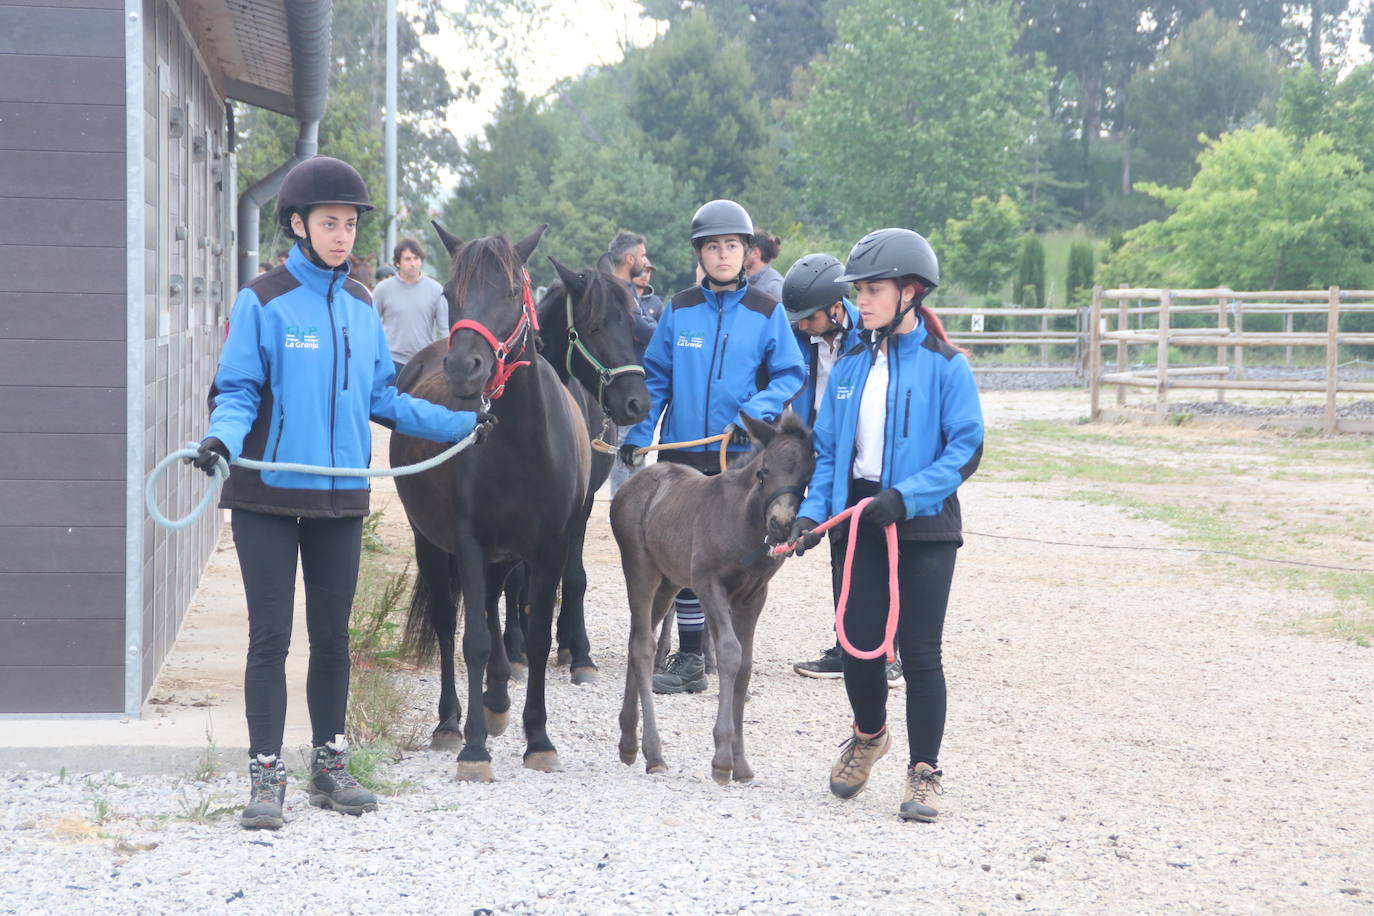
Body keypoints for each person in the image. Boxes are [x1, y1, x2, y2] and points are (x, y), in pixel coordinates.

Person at [186, 156, 495, 832]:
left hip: (339, 497)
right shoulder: (262, 299)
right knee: (270, 638)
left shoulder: (361, 305)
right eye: (329, 223)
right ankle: (266, 774)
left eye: (349, 225)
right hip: (267, 493)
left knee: (332, 639)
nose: (341, 236)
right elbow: (236, 391)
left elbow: (385, 397)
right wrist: (220, 440)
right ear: (298, 224)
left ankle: (329, 764)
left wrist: (462, 423)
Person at [789, 228, 983, 822]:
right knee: (856, 646)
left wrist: (908, 496)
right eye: (860, 289)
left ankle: (924, 772)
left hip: (921, 521)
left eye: (873, 288)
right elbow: (827, 452)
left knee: (920, 652)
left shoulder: (946, 365)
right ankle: (869, 734)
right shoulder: (848, 366)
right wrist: (811, 515)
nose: (862, 300)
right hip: (859, 519)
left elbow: (965, 448)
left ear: (911, 292)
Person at [618, 199, 805, 694]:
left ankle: (714, 647)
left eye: (732, 246)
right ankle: (692, 656)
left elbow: (790, 371)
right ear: (700, 254)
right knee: (684, 550)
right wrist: (639, 438)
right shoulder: (679, 309)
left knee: (726, 551)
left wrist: (756, 414)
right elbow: (656, 377)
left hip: (739, 458)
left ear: (746, 253)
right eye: (713, 247)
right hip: (683, 450)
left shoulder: (768, 311)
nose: (723, 255)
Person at [778, 254, 904, 685]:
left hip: (869, 454)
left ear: (836, 306)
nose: (800, 325)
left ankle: (888, 650)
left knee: (883, 553)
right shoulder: (801, 338)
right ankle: (847, 643)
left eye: (808, 317)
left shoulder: (871, 335)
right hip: (826, 450)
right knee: (840, 548)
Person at [602, 231, 659, 495]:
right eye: (642, 255)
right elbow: (643, 330)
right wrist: (657, 327)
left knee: (634, 456)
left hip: (633, 385)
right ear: (629, 258)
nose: (645, 261)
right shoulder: (616, 291)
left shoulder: (626, 290)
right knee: (625, 456)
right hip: (625, 389)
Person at [372, 237, 447, 377]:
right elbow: (371, 324)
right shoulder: (383, 289)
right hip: (392, 361)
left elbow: (444, 328)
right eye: (407, 259)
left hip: (425, 361)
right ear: (398, 263)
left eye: (416, 258)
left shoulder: (436, 289)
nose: (413, 263)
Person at [744, 229, 784, 301]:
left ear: (755, 252)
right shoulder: (744, 282)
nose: (741, 254)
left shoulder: (774, 286)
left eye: (745, 250)